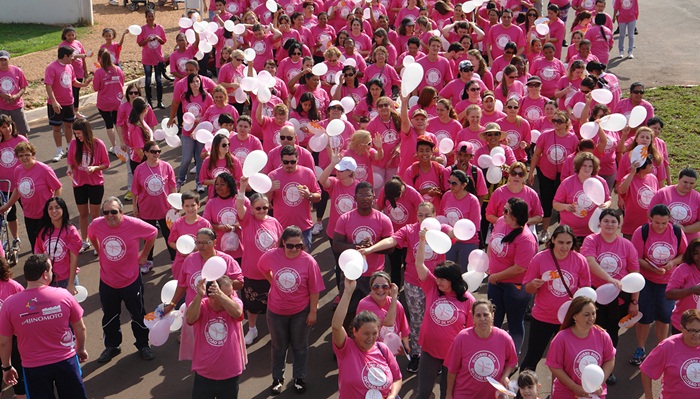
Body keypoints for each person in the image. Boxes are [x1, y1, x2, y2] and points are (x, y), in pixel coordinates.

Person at [0, 254, 88, 399]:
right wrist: (81, 348)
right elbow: (80, 327)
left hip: (33, 368)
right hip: (66, 362)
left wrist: (7, 366)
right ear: (45, 274)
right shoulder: (64, 295)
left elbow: (4, 342)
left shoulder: (9, 304)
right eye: (51, 270)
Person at [88, 196, 158, 363]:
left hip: (131, 281)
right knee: (110, 316)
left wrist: (145, 255)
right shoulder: (97, 224)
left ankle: (143, 345)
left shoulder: (133, 224)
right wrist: (100, 251)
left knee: (138, 314)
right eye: (106, 212)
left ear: (121, 211)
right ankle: (112, 346)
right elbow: (91, 236)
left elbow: (153, 233)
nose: (110, 215)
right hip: (107, 281)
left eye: (114, 212)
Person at [259, 226, 325, 395]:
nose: (294, 249)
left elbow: (314, 289)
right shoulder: (272, 255)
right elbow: (262, 267)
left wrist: (313, 311)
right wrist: (272, 281)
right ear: (283, 243)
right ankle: (277, 379)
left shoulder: (309, 261)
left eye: (298, 246)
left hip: (300, 312)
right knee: (278, 347)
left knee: (300, 347)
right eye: (290, 246)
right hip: (276, 311)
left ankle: (299, 378)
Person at [413, 229, 475, 399]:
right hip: (429, 351)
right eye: (437, 278)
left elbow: (471, 331)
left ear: (453, 280)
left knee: (447, 394)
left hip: (453, 356)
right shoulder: (432, 287)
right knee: (423, 393)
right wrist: (422, 240)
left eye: (443, 279)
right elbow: (419, 264)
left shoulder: (468, 300)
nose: (438, 281)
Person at [521, 225, 592, 371]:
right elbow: (527, 288)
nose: (565, 247)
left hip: (568, 319)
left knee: (565, 361)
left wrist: (579, 299)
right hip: (542, 317)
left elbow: (586, 292)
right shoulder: (540, 258)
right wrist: (534, 285)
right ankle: (523, 392)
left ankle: (559, 392)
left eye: (568, 243)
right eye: (560, 242)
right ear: (553, 240)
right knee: (532, 357)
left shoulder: (580, 260)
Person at [581, 209, 639, 384]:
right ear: (600, 222)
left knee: (612, 334)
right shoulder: (591, 240)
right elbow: (589, 261)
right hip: (594, 297)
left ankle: (608, 370)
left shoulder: (627, 245)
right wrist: (609, 279)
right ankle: (587, 366)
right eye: (606, 221)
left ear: (619, 224)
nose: (610, 225)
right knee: (590, 331)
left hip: (618, 300)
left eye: (614, 221)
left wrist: (634, 301)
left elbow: (635, 273)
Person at [630, 204, 689, 366]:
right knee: (644, 316)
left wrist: (672, 263)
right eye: (657, 223)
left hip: (669, 282)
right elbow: (636, 258)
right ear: (650, 219)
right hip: (646, 281)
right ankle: (640, 348)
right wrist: (651, 268)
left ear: (669, 220)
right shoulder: (642, 232)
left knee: (664, 316)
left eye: (664, 223)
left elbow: (683, 254)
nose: (661, 226)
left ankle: (661, 348)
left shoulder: (676, 232)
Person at [331, 277, 402, 399]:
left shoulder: (383, 349)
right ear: (355, 331)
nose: (371, 338)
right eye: (366, 333)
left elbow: (397, 378)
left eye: (374, 333)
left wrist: (392, 395)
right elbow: (336, 326)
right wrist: (348, 292)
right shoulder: (346, 348)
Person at [487, 198, 539, 354]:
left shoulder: (526, 239)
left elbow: (519, 268)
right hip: (495, 281)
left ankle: (513, 355)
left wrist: (495, 277)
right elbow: (492, 241)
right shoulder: (502, 221)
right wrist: (489, 265)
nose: (502, 213)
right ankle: (493, 352)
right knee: (493, 319)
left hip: (514, 287)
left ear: (515, 216)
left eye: (506, 210)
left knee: (514, 322)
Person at [236, 178, 283, 345]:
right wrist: (242, 187)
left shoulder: (274, 222)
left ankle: (275, 331)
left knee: (275, 304)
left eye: (265, 207)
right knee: (252, 305)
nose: (262, 210)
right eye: (258, 208)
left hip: (271, 273)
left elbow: (280, 246)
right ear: (252, 209)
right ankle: (253, 329)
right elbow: (239, 205)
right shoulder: (247, 220)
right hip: (252, 272)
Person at [185, 276, 247, 399]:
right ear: (211, 296)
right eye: (227, 295)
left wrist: (221, 295)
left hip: (230, 373)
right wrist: (199, 296)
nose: (231, 297)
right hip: (205, 374)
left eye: (231, 294)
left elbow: (238, 313)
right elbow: (190, 319)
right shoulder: (201, 305)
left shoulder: (234, 303)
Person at [445, 300, 518, 399]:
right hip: (464, 394)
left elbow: (512, 362)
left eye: (486, 315)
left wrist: (505, 376)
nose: (482, 319)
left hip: (492, 395)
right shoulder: (462, 338)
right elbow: (452, 370)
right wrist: (449, 394)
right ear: (473, 318)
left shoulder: (504, 338)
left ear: (492, 315)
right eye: (478, 315)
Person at [546, 296, 615, 398]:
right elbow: (554, 366)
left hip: (595, 394)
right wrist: (574, 387)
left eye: (593, 313)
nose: (591, 318)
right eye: (586, 315)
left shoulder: (602, 335)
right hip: (566, 393)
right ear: (574, 316)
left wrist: (599, 382)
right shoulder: (561, 338)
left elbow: (610, 359)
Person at [0, 142, 62, 252]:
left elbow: (58, 187)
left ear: (33, 155)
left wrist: (53, 207)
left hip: (45, 215)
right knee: (35, 247)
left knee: (49, 246)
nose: (24, 158)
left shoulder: (44, 169)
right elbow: (17, 189)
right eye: (21, 155)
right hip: (29, 215)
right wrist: (7, 206)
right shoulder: (18, 170)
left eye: (27, 155)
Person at [528, 111, 579, 242]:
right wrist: (531, 172)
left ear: (566, 123)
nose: (555, 123)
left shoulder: (573, 138)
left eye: (559, 121)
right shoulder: (545, 135)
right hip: (546, 174)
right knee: (546, 202)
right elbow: (536, 155)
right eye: (554, 121)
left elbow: (576, 159)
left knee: (564, 204)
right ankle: (545, 231)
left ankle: (564, 231)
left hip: (564, 177)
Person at [132, 141, 177, 272]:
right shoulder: (140, 169)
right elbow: (135, 190)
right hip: (147, 209)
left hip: (165, 209)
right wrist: (135, 207)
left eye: (158, 151)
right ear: (145, 153)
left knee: (170, 235)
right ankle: (147, 261)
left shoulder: (166, 166)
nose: (156, 154)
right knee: (148, 237)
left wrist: (176, 204)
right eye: (153, 152)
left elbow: (173, 186)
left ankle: (175, 260)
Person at [67, 118, 110, 254]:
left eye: (79, 133)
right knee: (83, 213)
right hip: (79, 183)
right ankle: (84, 241)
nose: (77, 136)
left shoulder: (98, 144)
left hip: (95, 183)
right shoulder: (74, 143)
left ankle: (96, 240)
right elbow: (70, 161)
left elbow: (106, 164)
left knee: (95, 213)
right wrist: (69, 168)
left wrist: (95, 168)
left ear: (86, 132)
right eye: (75, 134)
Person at [268, 145, 321, 250]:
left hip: (303, 227)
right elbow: (266, 204)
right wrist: (270, 190)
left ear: (297, 159)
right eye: (286, 162)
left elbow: (318, 196)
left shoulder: (307, 173)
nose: (289, 165)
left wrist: (309, 195)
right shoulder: (273, 176)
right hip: (281, 227)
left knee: (304, 261)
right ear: (281, 160)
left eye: (292, 162)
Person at [45, 46, 92, 163]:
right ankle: (59, 150)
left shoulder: (70, 67)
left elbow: (73, 82)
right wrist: (54, 102)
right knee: (56, 128)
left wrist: (84, 85)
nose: (73, 58)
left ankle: (69, 147)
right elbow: (48, 85)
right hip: (56, 104)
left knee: (69, 126)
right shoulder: (51, 68)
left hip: (69, 102)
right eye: (71, 56)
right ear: (65, 56)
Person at [553, 152, 611, 244]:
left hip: (593, 231)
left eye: (590, 166)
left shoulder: (600, 182)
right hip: (570, 232)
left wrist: (605, 205)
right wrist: (566, 207)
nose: (587, 169)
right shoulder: (567, 183)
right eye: (584, 165)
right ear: (578, 166)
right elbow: (555, 204)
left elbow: (608, 200)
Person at [640, 309, 700, 398]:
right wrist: (649, 396)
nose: (697, 334)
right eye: (692, 330)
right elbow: (647, 370)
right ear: (682, 328)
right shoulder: (668, 346)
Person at [34, 196, 82, 294]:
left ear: (63, 209)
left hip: (66, 280)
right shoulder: (43, 231)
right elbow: (38, 255)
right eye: (50, 208)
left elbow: (74, 259)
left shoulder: (71, 231)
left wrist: (71, 283)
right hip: (48, 280)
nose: (54, 211)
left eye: (57, 207)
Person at [356, 272, 410, 351]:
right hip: (370, 351)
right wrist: (394, 296)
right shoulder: (365, 304)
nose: (380, 290)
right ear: (371, 288)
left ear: (389, 289)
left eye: (385, 286)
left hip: (389, 351)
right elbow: (388, 323)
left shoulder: (396, 304)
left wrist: (405, 346)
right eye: (376, 287)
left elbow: (404, 328)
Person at [167, 191, 212, 282]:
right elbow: (171, 241)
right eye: (187, 206)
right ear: (182, 206)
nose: (190, 208)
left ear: (198, 205)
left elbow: (211, 244)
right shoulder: (178, 223)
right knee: (182, 291)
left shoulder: (205, 224)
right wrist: (181, 249)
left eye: (193, 205)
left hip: (200, 264)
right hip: (181, 263)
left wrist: (198, 248)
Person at [0, 114, 28, 253]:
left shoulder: (20, 140)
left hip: (22, 185)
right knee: (10, 215)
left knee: (29, 213)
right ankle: (16, 238)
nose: (7, 129)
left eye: (9, 125)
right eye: (3, 127)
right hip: (5, 187)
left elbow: (30, 159)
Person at [649, 168, 700, 242]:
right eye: (685, 182)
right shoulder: (663, 193)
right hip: (664, 238)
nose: (688, 185)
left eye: (691, 183)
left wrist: (685, 229)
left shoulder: (697, 197)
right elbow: (650, 214)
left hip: (689, 240)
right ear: (679, 179)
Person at [486, 162, 543, 226]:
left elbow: (539, 217)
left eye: (520, 174)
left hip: (524, 230)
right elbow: (489, 215)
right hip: (502, 229)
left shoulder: (532, 194)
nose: (517, 176)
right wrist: (505, 222)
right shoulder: (498, 192)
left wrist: (524, 221)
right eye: (514, 173)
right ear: (509, 175)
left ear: (524, 177)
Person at [618, 154, 659, 239]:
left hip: (649, 226)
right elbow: (621, 191)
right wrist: (632, 173)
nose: (653, 167)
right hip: (632, 226)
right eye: (650, 165)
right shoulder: (628, 179)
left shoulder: (653, 178)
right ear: (642, 166)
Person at [93, 49, 125, 151]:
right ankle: (122, 143)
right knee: (118, 122)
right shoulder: (118, 69)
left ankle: (114, 146)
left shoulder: (99, 72)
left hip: (104, 102)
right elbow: (122, 82)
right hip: (118, 100)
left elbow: (95, 88)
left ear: (100, 59)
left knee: (108, 124)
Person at [667, 238, 700, 334]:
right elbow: (669, 294)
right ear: (690, 254)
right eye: (696, 253)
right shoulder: (683, 269)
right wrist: (692, 290)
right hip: (683, 325)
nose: (699, 256)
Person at [137, 9, 167, 108]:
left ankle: (159, 101)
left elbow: (163, 41)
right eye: (148, 16)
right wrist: (146, 40)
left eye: (152, 16)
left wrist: (159, 38)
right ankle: (149, 102)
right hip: (147, 58)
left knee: (159, 80)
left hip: (158, 57)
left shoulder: (160, 28)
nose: (150, 18)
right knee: (148, 80)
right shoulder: (143, 29)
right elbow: (140, 43)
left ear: (154, 16)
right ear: (146, 17)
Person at [0, 51, 30, 136]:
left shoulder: (17, 71)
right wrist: (2, 95)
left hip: (16, 106)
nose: (3, 62)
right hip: (2, 107)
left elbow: (23, 87)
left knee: (22, 131)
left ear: (9, 60)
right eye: (1, 60)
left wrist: (17, 96)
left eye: (5, 60)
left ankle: (25, 148)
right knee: (2, 133)